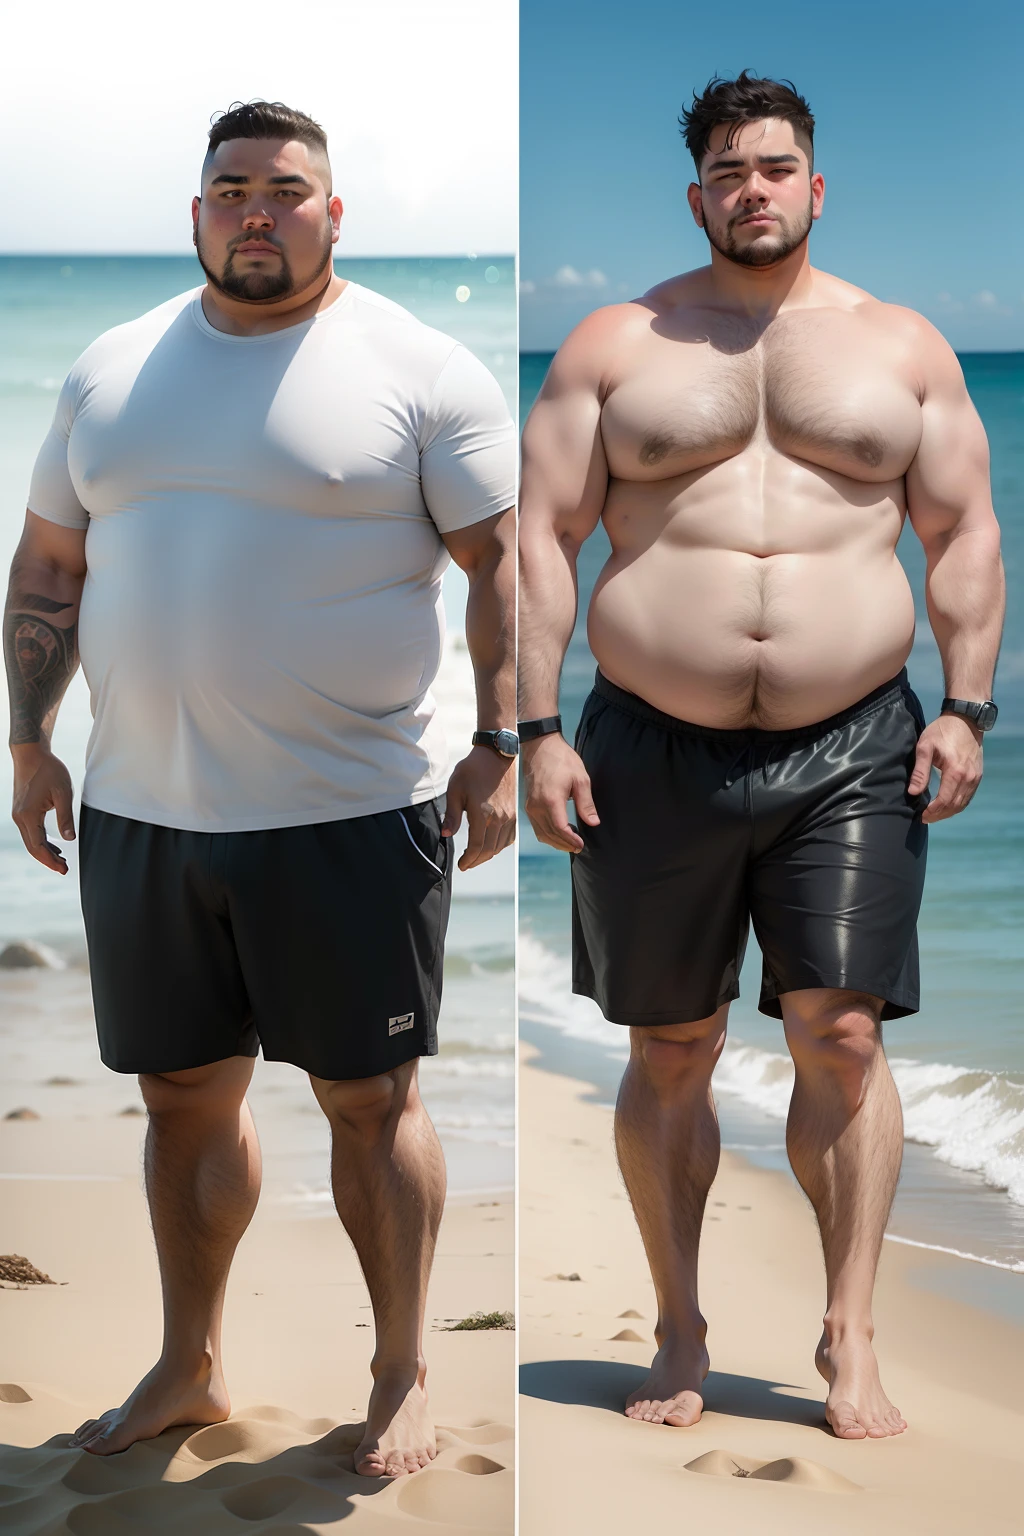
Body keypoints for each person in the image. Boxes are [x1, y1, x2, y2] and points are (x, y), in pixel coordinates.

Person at [4, 100, 517, 1478]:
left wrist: (506, 747)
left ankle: (401, 1367)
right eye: (230, 187)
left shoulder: (413, 366)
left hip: (351, 814)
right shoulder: (111, 369)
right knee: (181, 1094)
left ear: (333, 215)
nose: (256, 209)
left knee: (372, 1098)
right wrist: (31, 740)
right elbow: (51, 566)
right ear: (194, 212)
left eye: (287, 189)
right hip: (145, 811)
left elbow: (507, 571)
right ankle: (191, 1360)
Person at [518, 72, 1003, 1442]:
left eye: (776, 168)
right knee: (670, 1044)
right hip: (643, 745)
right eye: (730, 172)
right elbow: (539, 543)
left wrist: (967, 706)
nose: (754, 190)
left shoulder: (901, 349)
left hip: (854, 744)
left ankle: (848, 1330)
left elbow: (961, 531)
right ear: (698, 194)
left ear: (816, 186)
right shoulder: (618, 344)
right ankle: (678, 1323)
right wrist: (535, 731)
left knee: (841, 1034)